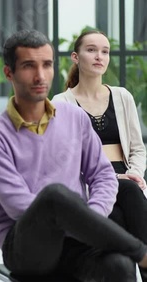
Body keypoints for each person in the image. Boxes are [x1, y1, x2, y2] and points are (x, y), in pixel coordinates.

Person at [0, 29, 147, 281]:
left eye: (47, 65)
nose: (40, 75)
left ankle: (136, 258)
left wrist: (91, 221)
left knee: (118, 265)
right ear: (9, 73)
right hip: (28, 246)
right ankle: (142, 254)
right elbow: (18, 206)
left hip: (78, 241)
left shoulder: (74, 118)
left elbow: (103, 176)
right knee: (54, 196)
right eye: (28, 66)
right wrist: (84, 225)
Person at [53, 29, 147, 280]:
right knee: (124, 212)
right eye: (91, 50)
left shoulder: (122, 96)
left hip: (129, 181)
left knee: (126, 203)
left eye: (104, 51)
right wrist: (114, 181)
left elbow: (137, 148)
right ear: (75, 56)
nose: (99, 56)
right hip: (89, 185)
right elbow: (65, 159)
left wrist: (134, 173)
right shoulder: (60, 102)